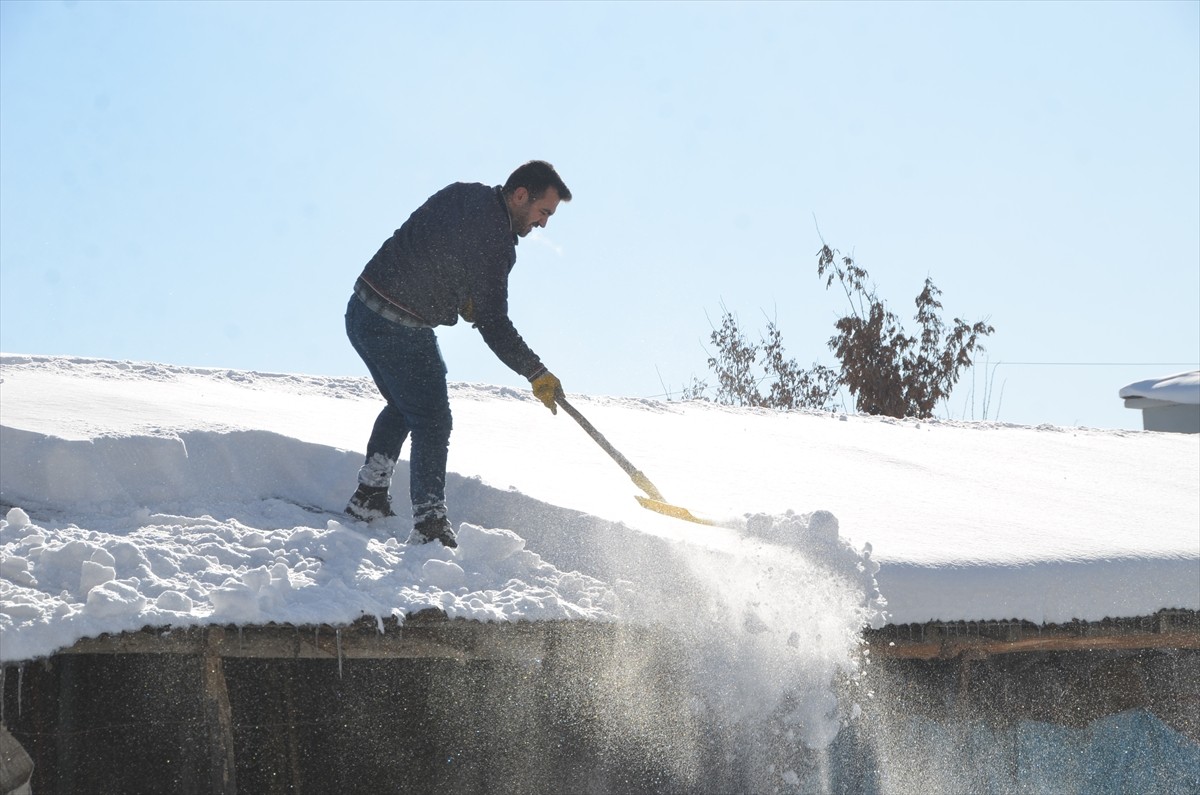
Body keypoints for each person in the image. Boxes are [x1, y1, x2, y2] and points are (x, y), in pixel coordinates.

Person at [343, 160, 571, 547]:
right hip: (402, 326)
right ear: (520, 195)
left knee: (405, 403)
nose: (543, 224)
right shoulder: (497, 243)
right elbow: (494, 324)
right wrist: (536, 372)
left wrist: (458, 292)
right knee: (433, 420)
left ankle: (370, 495)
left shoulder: (461, 192)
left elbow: (425, 242)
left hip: (362, 311)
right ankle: (430, 524)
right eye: (542, 212)